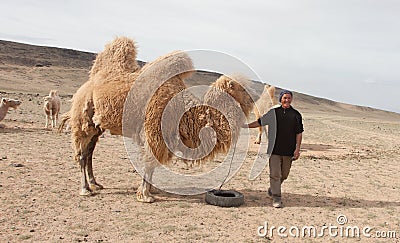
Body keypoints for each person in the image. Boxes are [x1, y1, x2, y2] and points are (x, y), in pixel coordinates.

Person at [243, 90, 303, 208]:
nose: (287, 100)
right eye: (284, 98)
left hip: (288, 150)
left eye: (289, 98)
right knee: (275, 174)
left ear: (291, 99)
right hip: (274, 150)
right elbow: (260, 122)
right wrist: (245, 126)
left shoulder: (296, 115)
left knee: (284, 175)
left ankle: (273, 188)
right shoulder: (273, 113)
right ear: (280, 99)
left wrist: (297, 149)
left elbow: (299, 133)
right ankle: (276, 197)